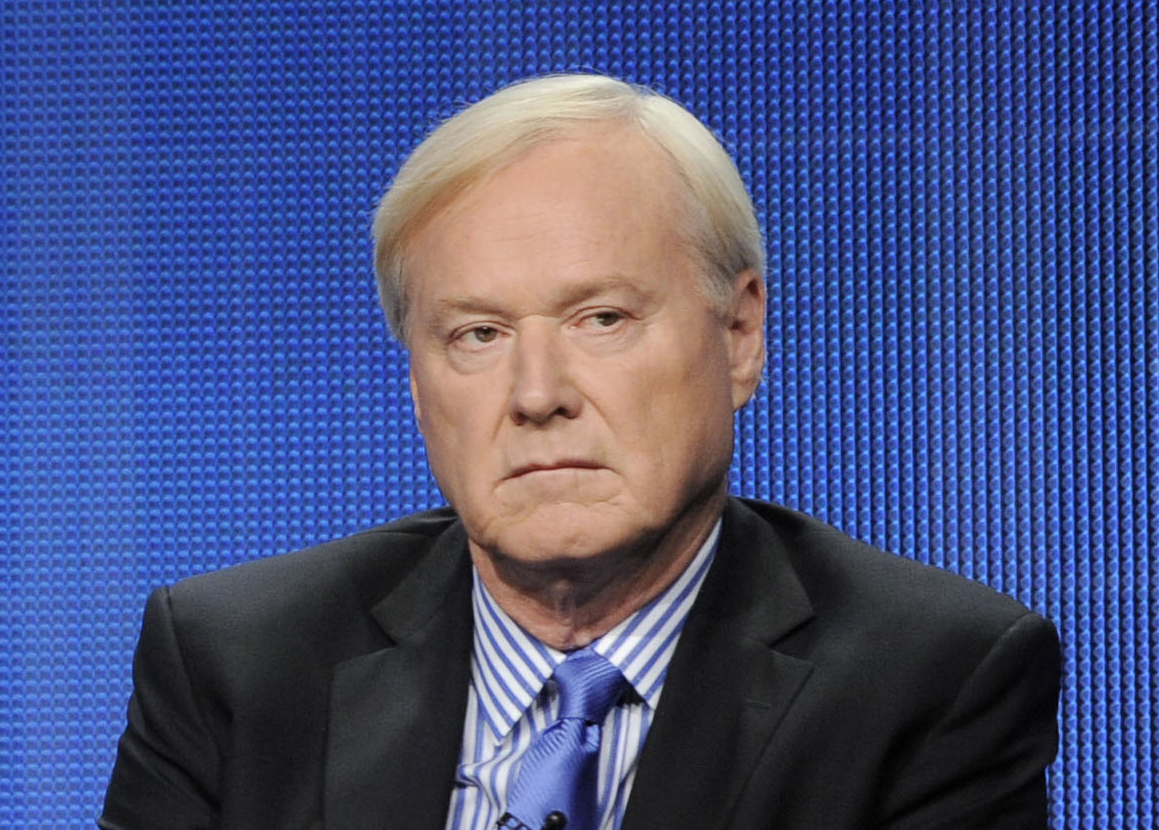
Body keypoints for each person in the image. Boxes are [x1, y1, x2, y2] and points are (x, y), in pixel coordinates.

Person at [100, 74, 1060, 830]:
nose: (536, 395)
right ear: (414, 382)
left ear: (738, 335)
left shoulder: (931, 681)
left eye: (600, 318)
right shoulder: (235, 661)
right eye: (476, 335)